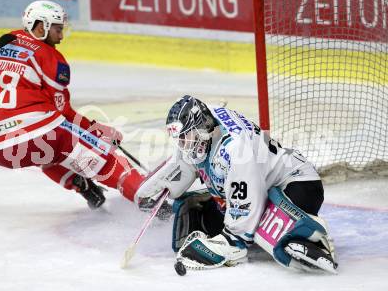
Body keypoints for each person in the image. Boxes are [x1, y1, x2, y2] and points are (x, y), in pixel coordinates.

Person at [136, 95, 338, 273]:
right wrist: (169, 181)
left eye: (185, 137)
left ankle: (313, 237)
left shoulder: (235, 148)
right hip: (263, 183)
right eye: (179, 139)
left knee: (267, 236)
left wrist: (233, 239)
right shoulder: (206, 123)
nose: (183, 144)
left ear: (201, 128)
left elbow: (246, 201)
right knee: (202, 216)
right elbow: (191, 161)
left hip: (297, 183)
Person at [0, 0, 145, 209]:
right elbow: (63, 112)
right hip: (34, 131)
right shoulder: (51, 58)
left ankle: (80, 184)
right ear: (41, 27)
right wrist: (97, 130)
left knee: (49, 149)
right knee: (101, 155)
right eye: (57, 29)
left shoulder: (4, 43)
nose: (61, 36)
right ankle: (150, 198)